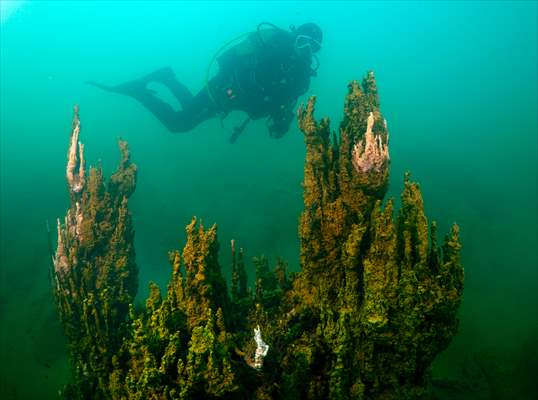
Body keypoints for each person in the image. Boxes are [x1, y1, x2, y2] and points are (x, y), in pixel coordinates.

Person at [88, 22, 322, 142]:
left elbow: (287, 104)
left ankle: (168, 77)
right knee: (179, 124)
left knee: (188, 109)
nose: (306, 50)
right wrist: (228, 87)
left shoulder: (301, 78)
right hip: (224, 89)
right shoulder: (273, 47)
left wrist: (283, 121)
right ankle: (139, 92)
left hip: (238, 103)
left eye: (313, 46)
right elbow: (233, 61)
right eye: (302, 41)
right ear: (294, 37)